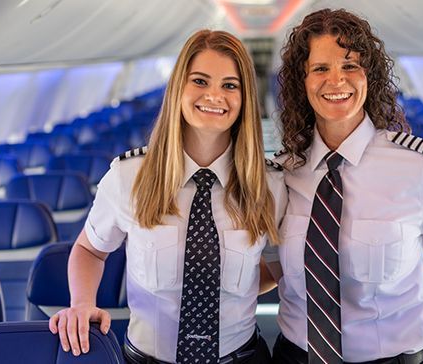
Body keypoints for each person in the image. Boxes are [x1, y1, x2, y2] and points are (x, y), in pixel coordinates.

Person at [267, 8, 423, 364]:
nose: (336, 81)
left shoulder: (418, 166)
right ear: (302, 82)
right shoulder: (282, 174)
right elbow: (279, 268)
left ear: (370, 76)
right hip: (296, 356)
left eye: (350, 66)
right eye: (321, 68)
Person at [48, 29, 287, 364]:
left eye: (230, 85)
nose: (214, 95)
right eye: (200, 81)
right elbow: (89, 250)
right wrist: (82, 302)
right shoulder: (130, 177)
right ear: (178, 89)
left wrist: (236, 280)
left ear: (245, 97)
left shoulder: (269, 184)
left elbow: (280, 267)